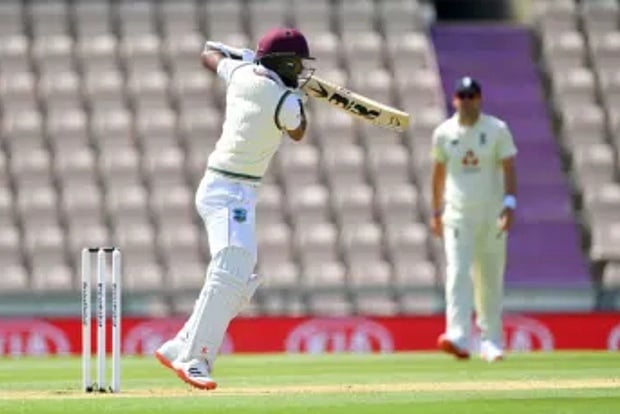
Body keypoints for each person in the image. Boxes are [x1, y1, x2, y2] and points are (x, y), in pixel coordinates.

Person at [153, 27, 314, 389]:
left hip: (226, 187)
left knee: (239, 276)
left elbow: (209, 53)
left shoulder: (240, 73)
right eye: (298, 63)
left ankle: (180, 343)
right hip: (230, 191)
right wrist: (298, 98)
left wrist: (241, 57)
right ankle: (194, 358)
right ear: (285, 63)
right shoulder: (284, 101)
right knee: (232, 266)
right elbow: (299, 131)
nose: (302, 69)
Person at [430, 77, 517, 362]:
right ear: (454, 99)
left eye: (471, 96)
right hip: (458, 214)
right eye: (462, 96)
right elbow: (438, 175)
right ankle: (457, 335)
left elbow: (509, 168)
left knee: (489, 276)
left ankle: (491, 341)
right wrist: (436, 212)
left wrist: (510, 204)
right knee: (457, 272)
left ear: (479, 99)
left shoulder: (497, 129)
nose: (466, 101)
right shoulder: (444, 133)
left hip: (492, 214)